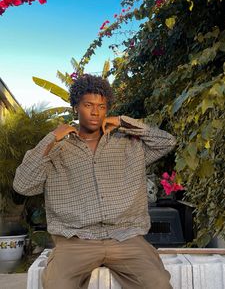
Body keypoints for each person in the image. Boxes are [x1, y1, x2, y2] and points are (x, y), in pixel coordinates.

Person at [13, 74, 176, 289]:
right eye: (88, 105)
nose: (95, 112)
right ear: (76, 108)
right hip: (75, 240)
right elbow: (22, 184)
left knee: (158, 283)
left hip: (125, 237)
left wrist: (122, 121)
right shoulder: (58, 150)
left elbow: (167, 142)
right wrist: (52, 137)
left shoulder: (128, 145)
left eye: (101, 106)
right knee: (57, 285)